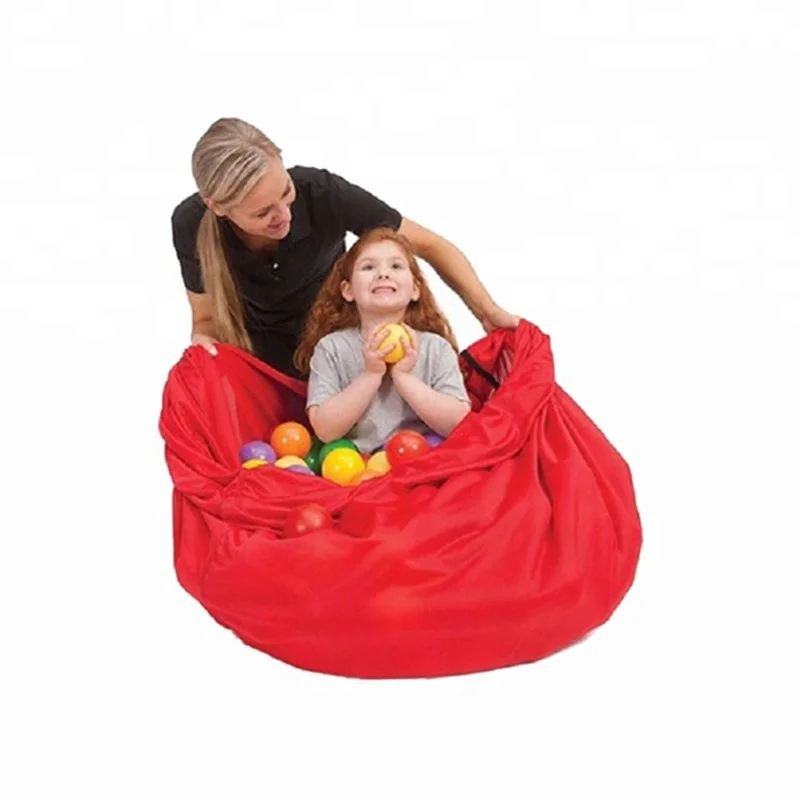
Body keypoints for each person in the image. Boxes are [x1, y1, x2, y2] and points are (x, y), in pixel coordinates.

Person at [171, 117, 519, 378]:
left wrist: (487, 311)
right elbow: (206, 319)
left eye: (286, 191)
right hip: (264, 365)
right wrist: (203, 343)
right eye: (263, 213)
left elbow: (430, 245)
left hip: (343, 350)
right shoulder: (191, 224)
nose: (285, 215)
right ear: (217, 207)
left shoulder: (323, 194)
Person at [293, 227, 471, 454]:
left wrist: (404, 378)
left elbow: (459, 423)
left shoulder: (436, 348)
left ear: (415, 289)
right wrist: (371, 375)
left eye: (396, 266)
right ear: (348, 290)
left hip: (424, 462)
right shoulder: (332, 348)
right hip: (355, 465)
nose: (383, 274)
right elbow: (325, 430)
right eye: (368, 267)